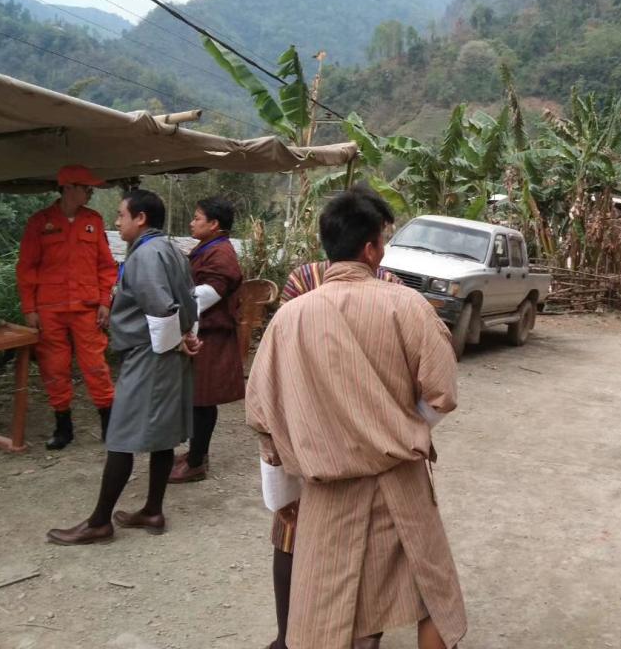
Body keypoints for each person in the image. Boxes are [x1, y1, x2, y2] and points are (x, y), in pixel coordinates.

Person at [247, 185, 466, 649]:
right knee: (435, 598)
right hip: (400, 481)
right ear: (371, 248)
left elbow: (263, 416)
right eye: (382, 242)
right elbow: (442, 392)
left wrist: (282, 495)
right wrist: (404, 426)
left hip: (327, 494)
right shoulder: (407, 304)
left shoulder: (289, 318)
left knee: (338, 617)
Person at [47, 189, 199, 545]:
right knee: (160, 434)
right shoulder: (171, 249)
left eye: (120, 215)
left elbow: (160, 306)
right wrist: (188, 335)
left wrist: (176, 339)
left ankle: (100, 521)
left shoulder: (146, 255)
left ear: (140, 218)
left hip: (151, 354)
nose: (117, 222)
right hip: (167, 352)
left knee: (121, 435)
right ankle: (152, 509)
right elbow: (189, 298)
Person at [267, 258, 401, 649]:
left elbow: (281, 350)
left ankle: (287, 636)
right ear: (373, 242)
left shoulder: (304, 278)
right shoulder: (391, 286)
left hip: (309, 432)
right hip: (371, 438)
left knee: (291, 532)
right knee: (369, 542)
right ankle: (360, 639)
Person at [16, 165, 118, 450]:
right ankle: (63, 428)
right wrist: (29, 310)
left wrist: (104, 302)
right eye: (87, 187)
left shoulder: (93, 221)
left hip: (87, 307)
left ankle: (110, 425)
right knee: (55, 368)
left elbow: (106, 266)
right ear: (69, 187)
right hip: (49, 308)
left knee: (96, 366)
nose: (91, 192)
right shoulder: (40, 222)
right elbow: (26, 268)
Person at [169, 197, 244, 484]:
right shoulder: (208, 247)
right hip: (203, 333)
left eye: (197, 217)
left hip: (211, 336)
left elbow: (206, 295)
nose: (192, 222)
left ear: (214, 224)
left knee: (203, 399)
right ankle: (195, 453)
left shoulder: (221, 255)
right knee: (197, 398)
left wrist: (168, 301)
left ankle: (197, 461)